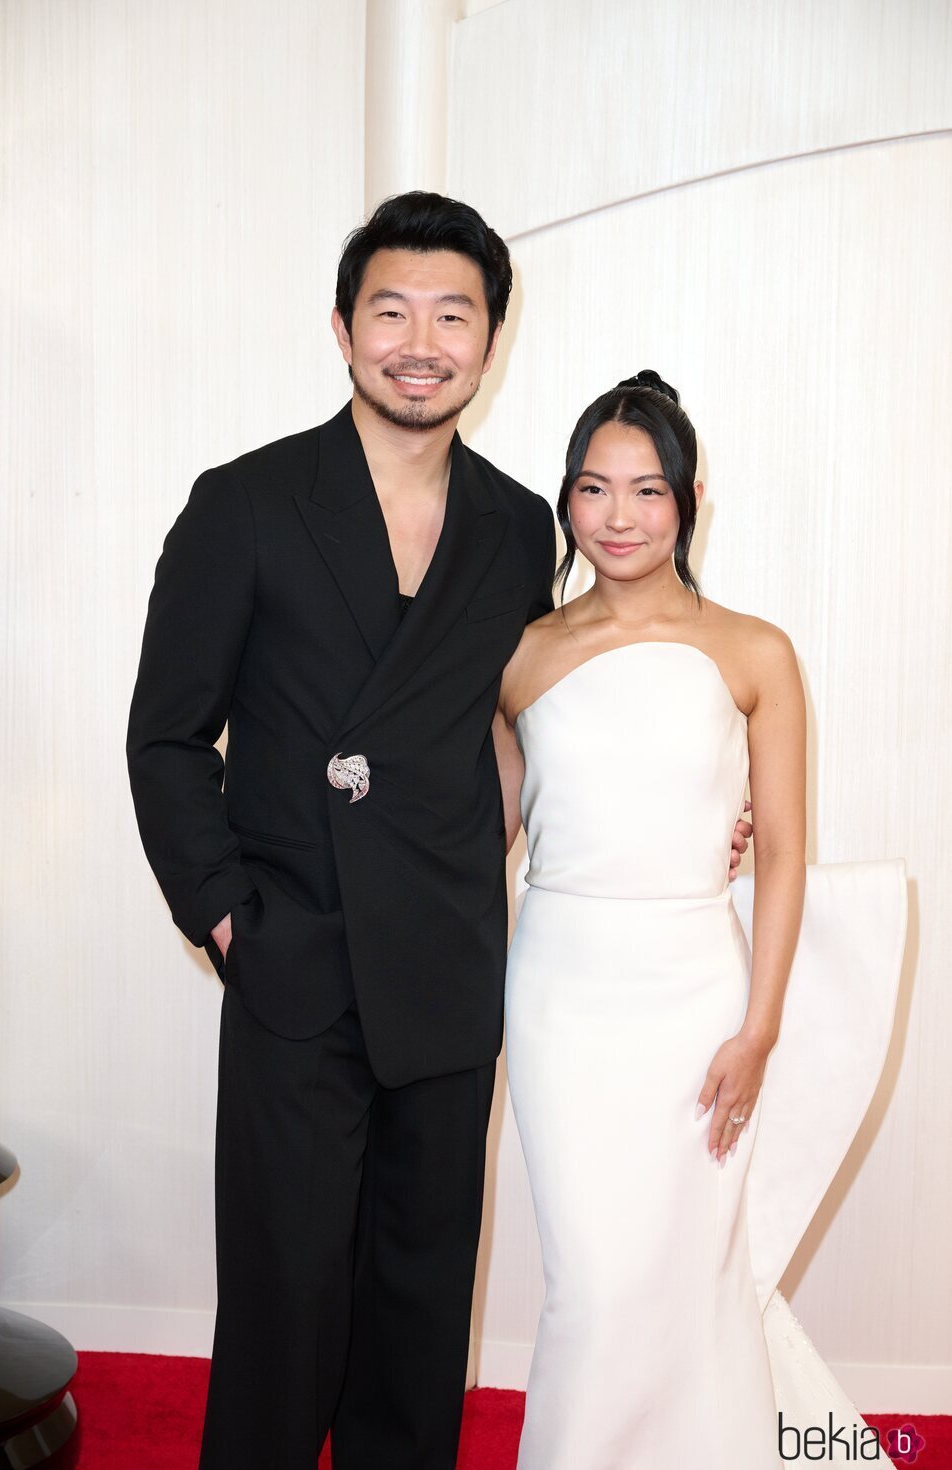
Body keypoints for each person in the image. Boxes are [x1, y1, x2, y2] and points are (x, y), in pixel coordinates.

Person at [127, 198, 751, 1470]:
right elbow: (166, 737)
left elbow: (540, 709)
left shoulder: (520, 527)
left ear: (491, 337)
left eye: (452, 315)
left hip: (449, 967)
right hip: (295, 962)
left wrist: (671, 813)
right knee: (282, 1311)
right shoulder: (244, 503)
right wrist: (226, 913)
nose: (421, 342)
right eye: (391, 311)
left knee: (418, 1320)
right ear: (345, 328)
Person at [495, 372, 906, 1468]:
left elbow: (778, 852)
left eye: (645, 490)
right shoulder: (521, 651)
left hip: (694, 993)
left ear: (688, 501)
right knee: (590, 1279)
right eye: (592, 489)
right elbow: (484, 837)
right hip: (558, 996)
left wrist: (758, 1028)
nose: (617, 517)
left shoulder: (752, 650)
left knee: (689, 1271)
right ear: (566, 500)